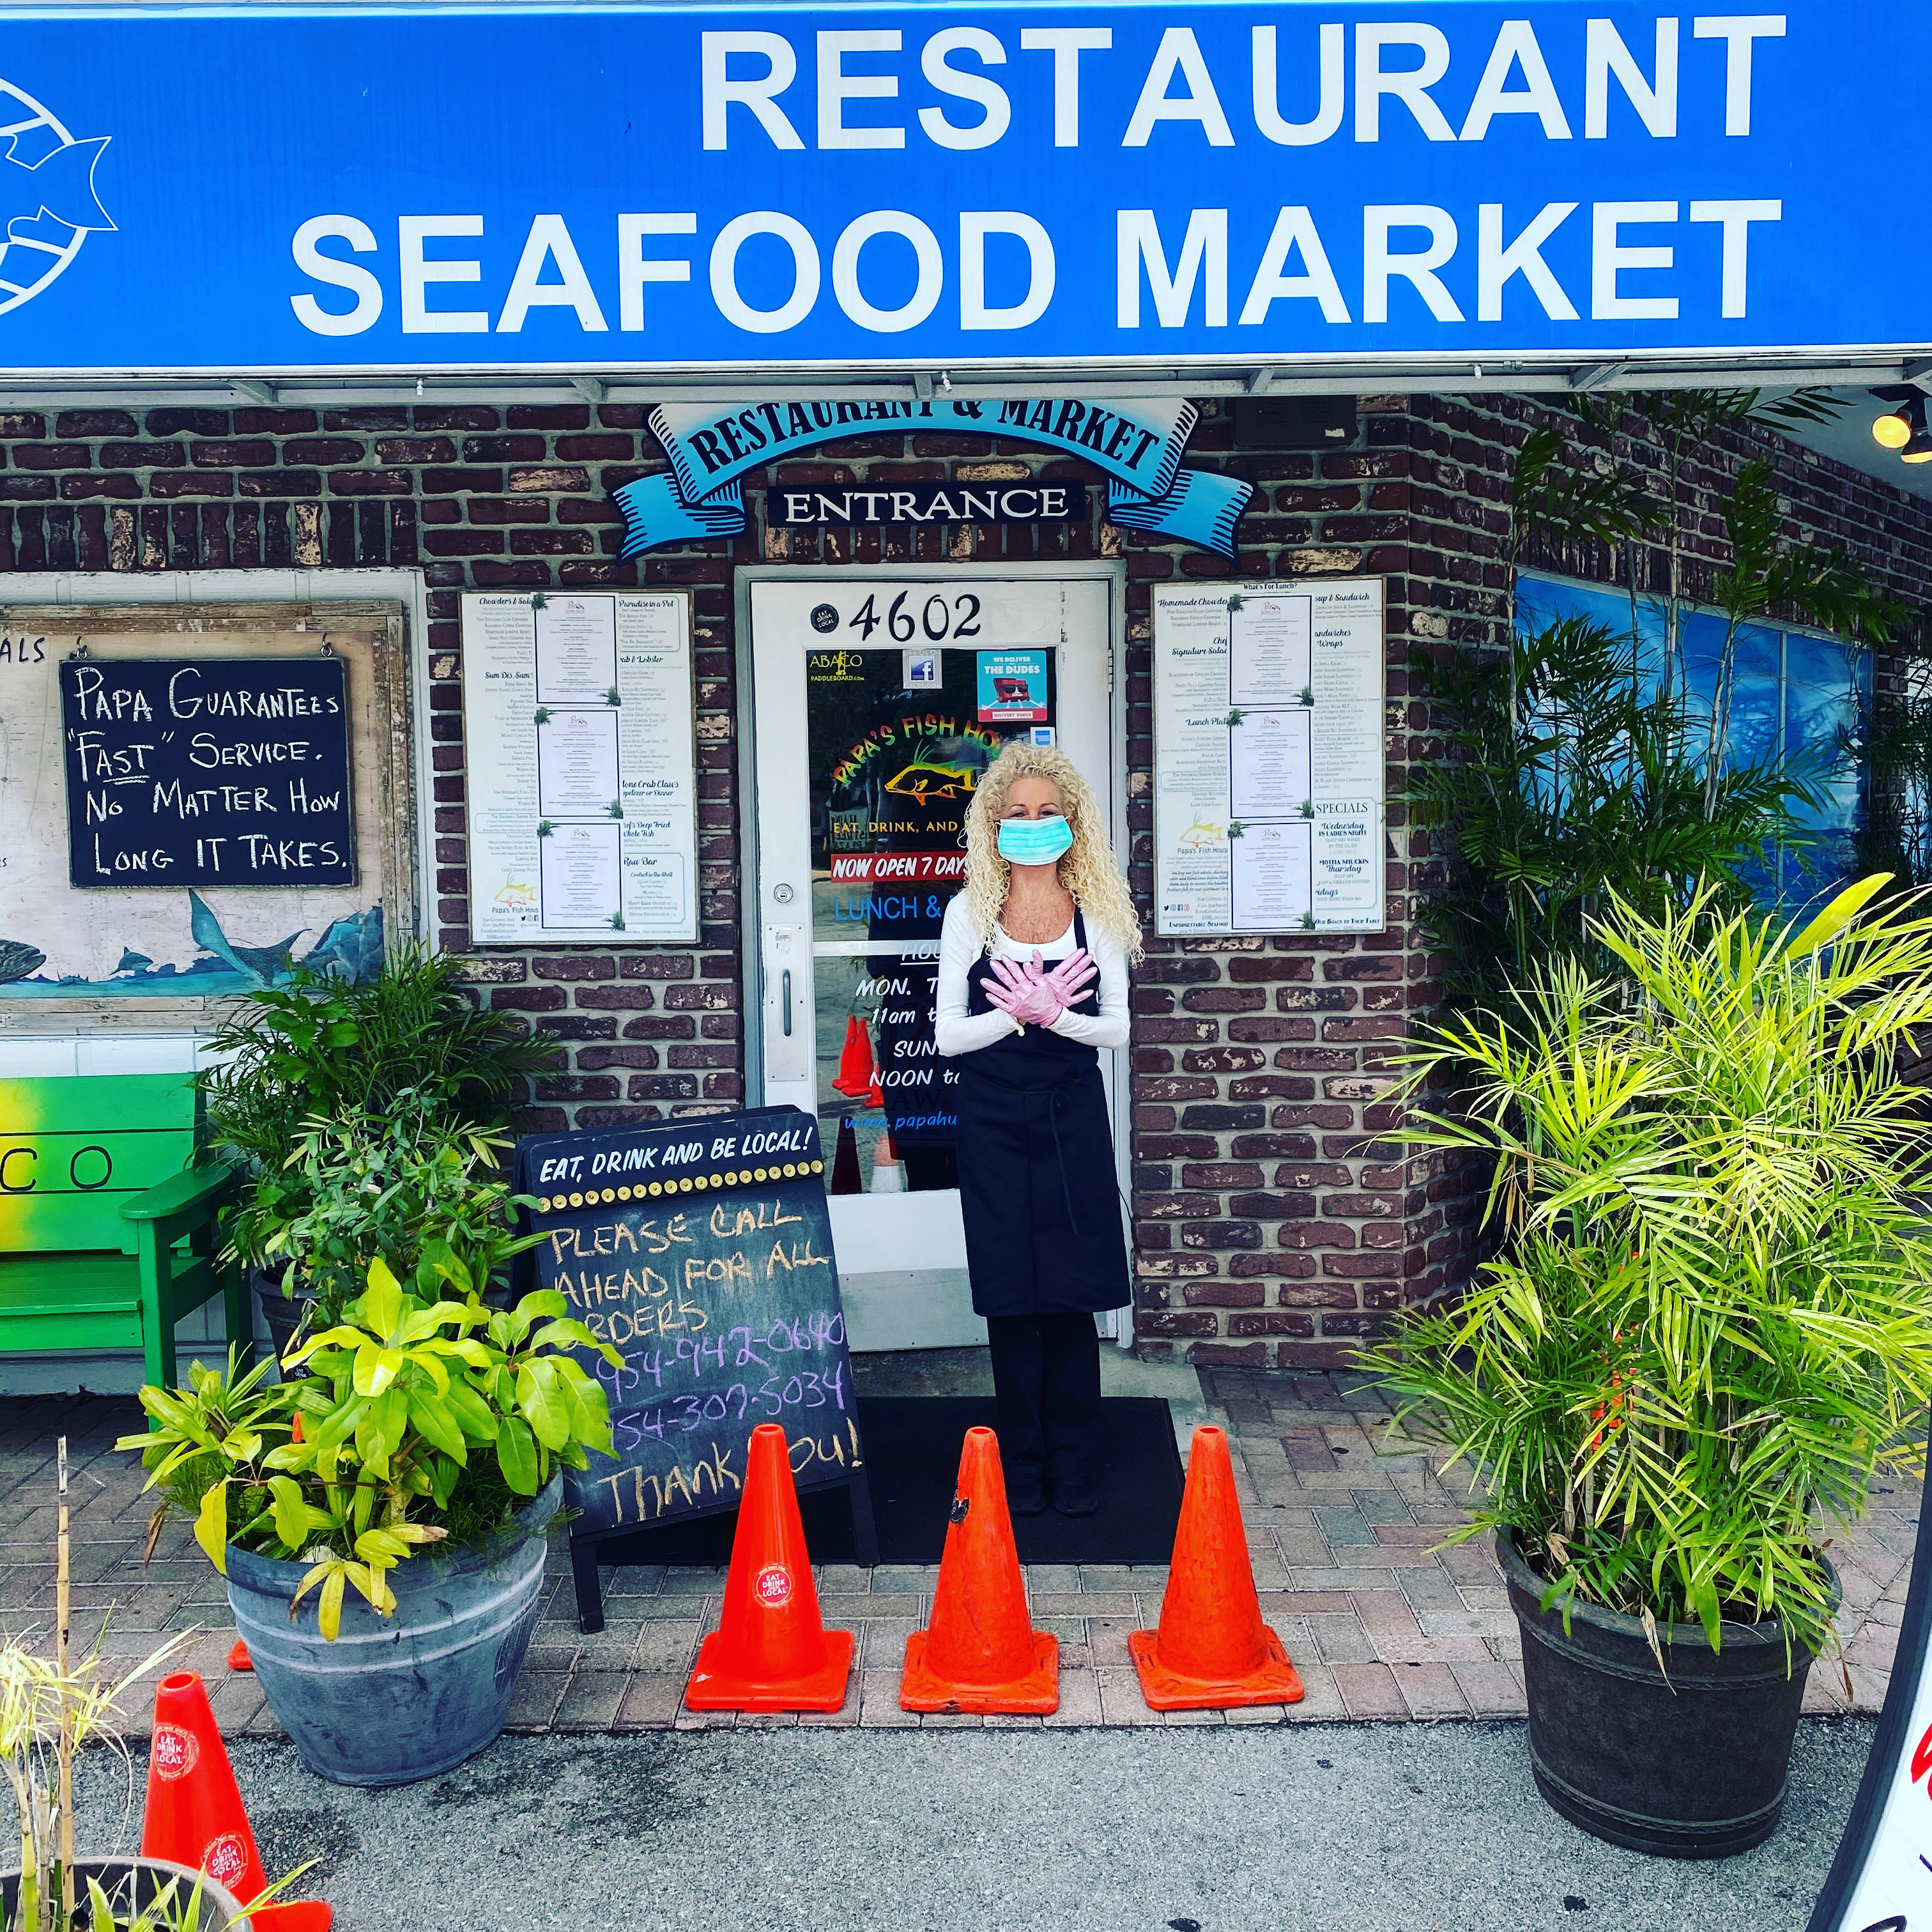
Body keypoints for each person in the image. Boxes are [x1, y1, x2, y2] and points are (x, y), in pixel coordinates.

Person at [934, 741, 1141, 1517]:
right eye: (1016, 814)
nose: (1032, 824)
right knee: (1013, 1296)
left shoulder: (1101, 913)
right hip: (990, 1118)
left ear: (1072, 822)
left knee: (1071, 1293)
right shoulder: (970, 913)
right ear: (993, 826)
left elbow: (1116, 1029)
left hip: (1070, 1116)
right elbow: (948, 1036)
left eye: (1046, 812)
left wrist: (1058, 1016)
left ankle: (1075, 1463)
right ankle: (1021, 1464)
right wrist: (1012, 1014)